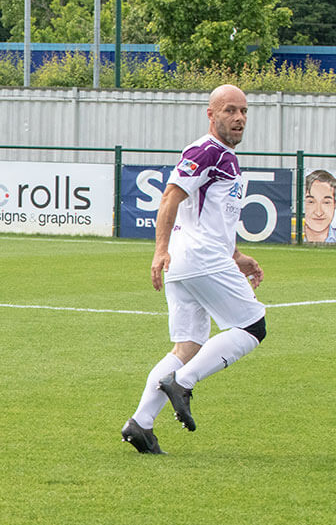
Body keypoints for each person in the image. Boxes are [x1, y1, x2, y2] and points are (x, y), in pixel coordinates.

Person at [121, 84, 266, 455]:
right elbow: (171, 196)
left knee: (187, 346)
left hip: (190, 261)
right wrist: (158, 250)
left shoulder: (225, 159)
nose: (239, 118)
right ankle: (183, 383)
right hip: (197, 258)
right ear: (211, 113)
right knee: (252, 326)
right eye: (230, 110)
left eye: (244, 111)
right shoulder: (206, 151)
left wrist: (237, 256)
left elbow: (213, 219)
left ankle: (141, 423)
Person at [302, 168, 336, 243]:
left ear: (334, 204)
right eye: (311, 202)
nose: (318, 212)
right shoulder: (288, 238)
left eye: (326, 202)